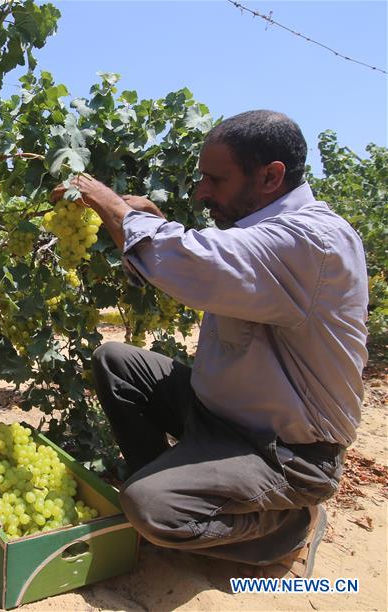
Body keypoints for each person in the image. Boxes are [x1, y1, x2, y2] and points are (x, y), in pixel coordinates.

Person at [51, 110, 368, 578]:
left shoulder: (314, 240)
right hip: (217, 417)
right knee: (117, 361)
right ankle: (178, 480)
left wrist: (110, 202)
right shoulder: (263, 234)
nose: (202, 191)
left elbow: (198, 264)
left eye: (215, 179)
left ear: (270, 176)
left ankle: (286, 530)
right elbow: (194, 261)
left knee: (151, 510)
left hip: (284, 452)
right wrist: (139, 223)